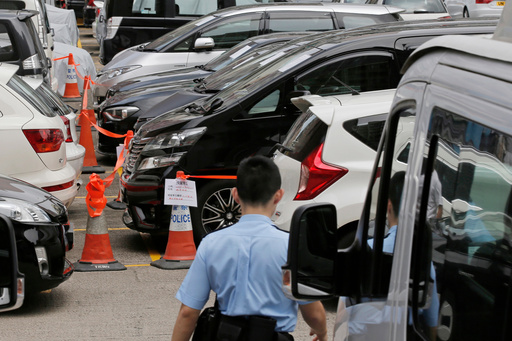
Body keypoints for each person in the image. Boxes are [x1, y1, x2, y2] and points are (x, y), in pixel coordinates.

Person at [171, 155, 328, 341]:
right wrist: (322, 332)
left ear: (235, 195)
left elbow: (188, 312)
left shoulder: (210, 243)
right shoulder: (291, 247)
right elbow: (314, 313)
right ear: (278, 195)